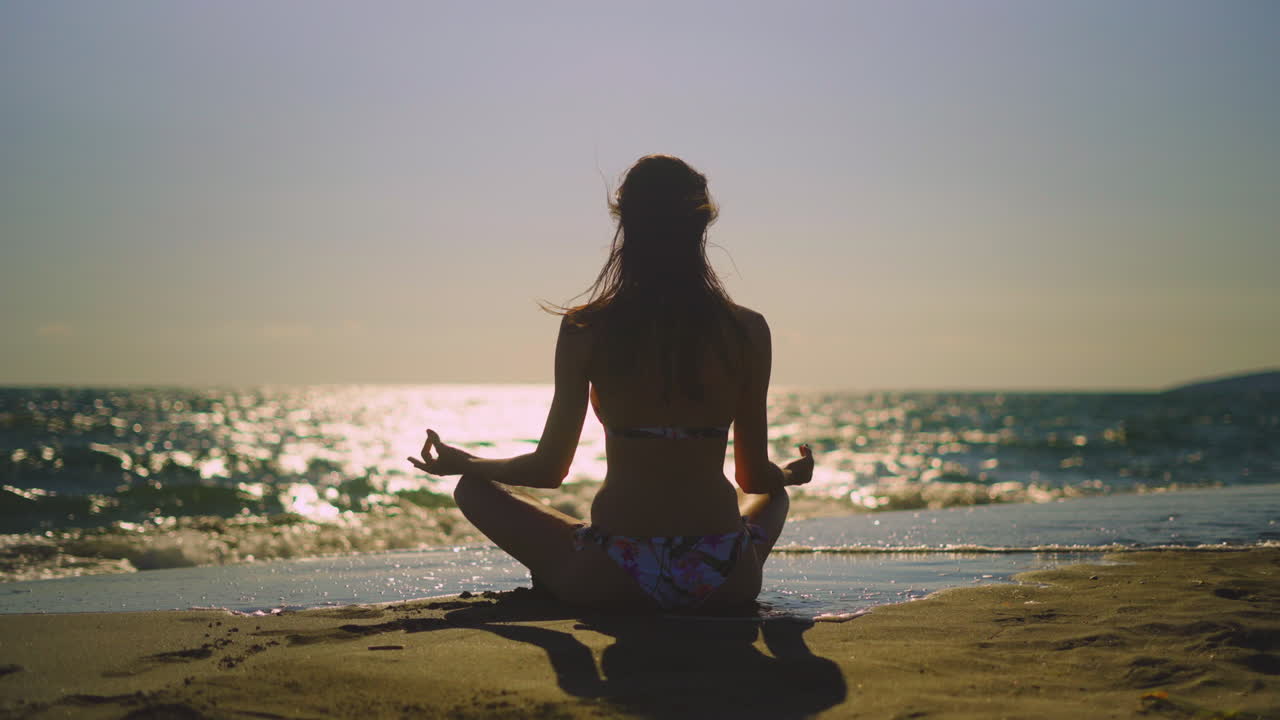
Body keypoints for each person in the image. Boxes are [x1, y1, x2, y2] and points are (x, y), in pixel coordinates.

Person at [408, 154, 814, 612]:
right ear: (701, 227)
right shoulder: (747, 330)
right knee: (774, 495)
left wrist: (467, 462)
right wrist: (788, 474)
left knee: (472, 488)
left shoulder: (587, 327)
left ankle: (564, 572)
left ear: (626, 224)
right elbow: (752, 478)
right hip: (724, 574)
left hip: (614, 573)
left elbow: (548, 470)